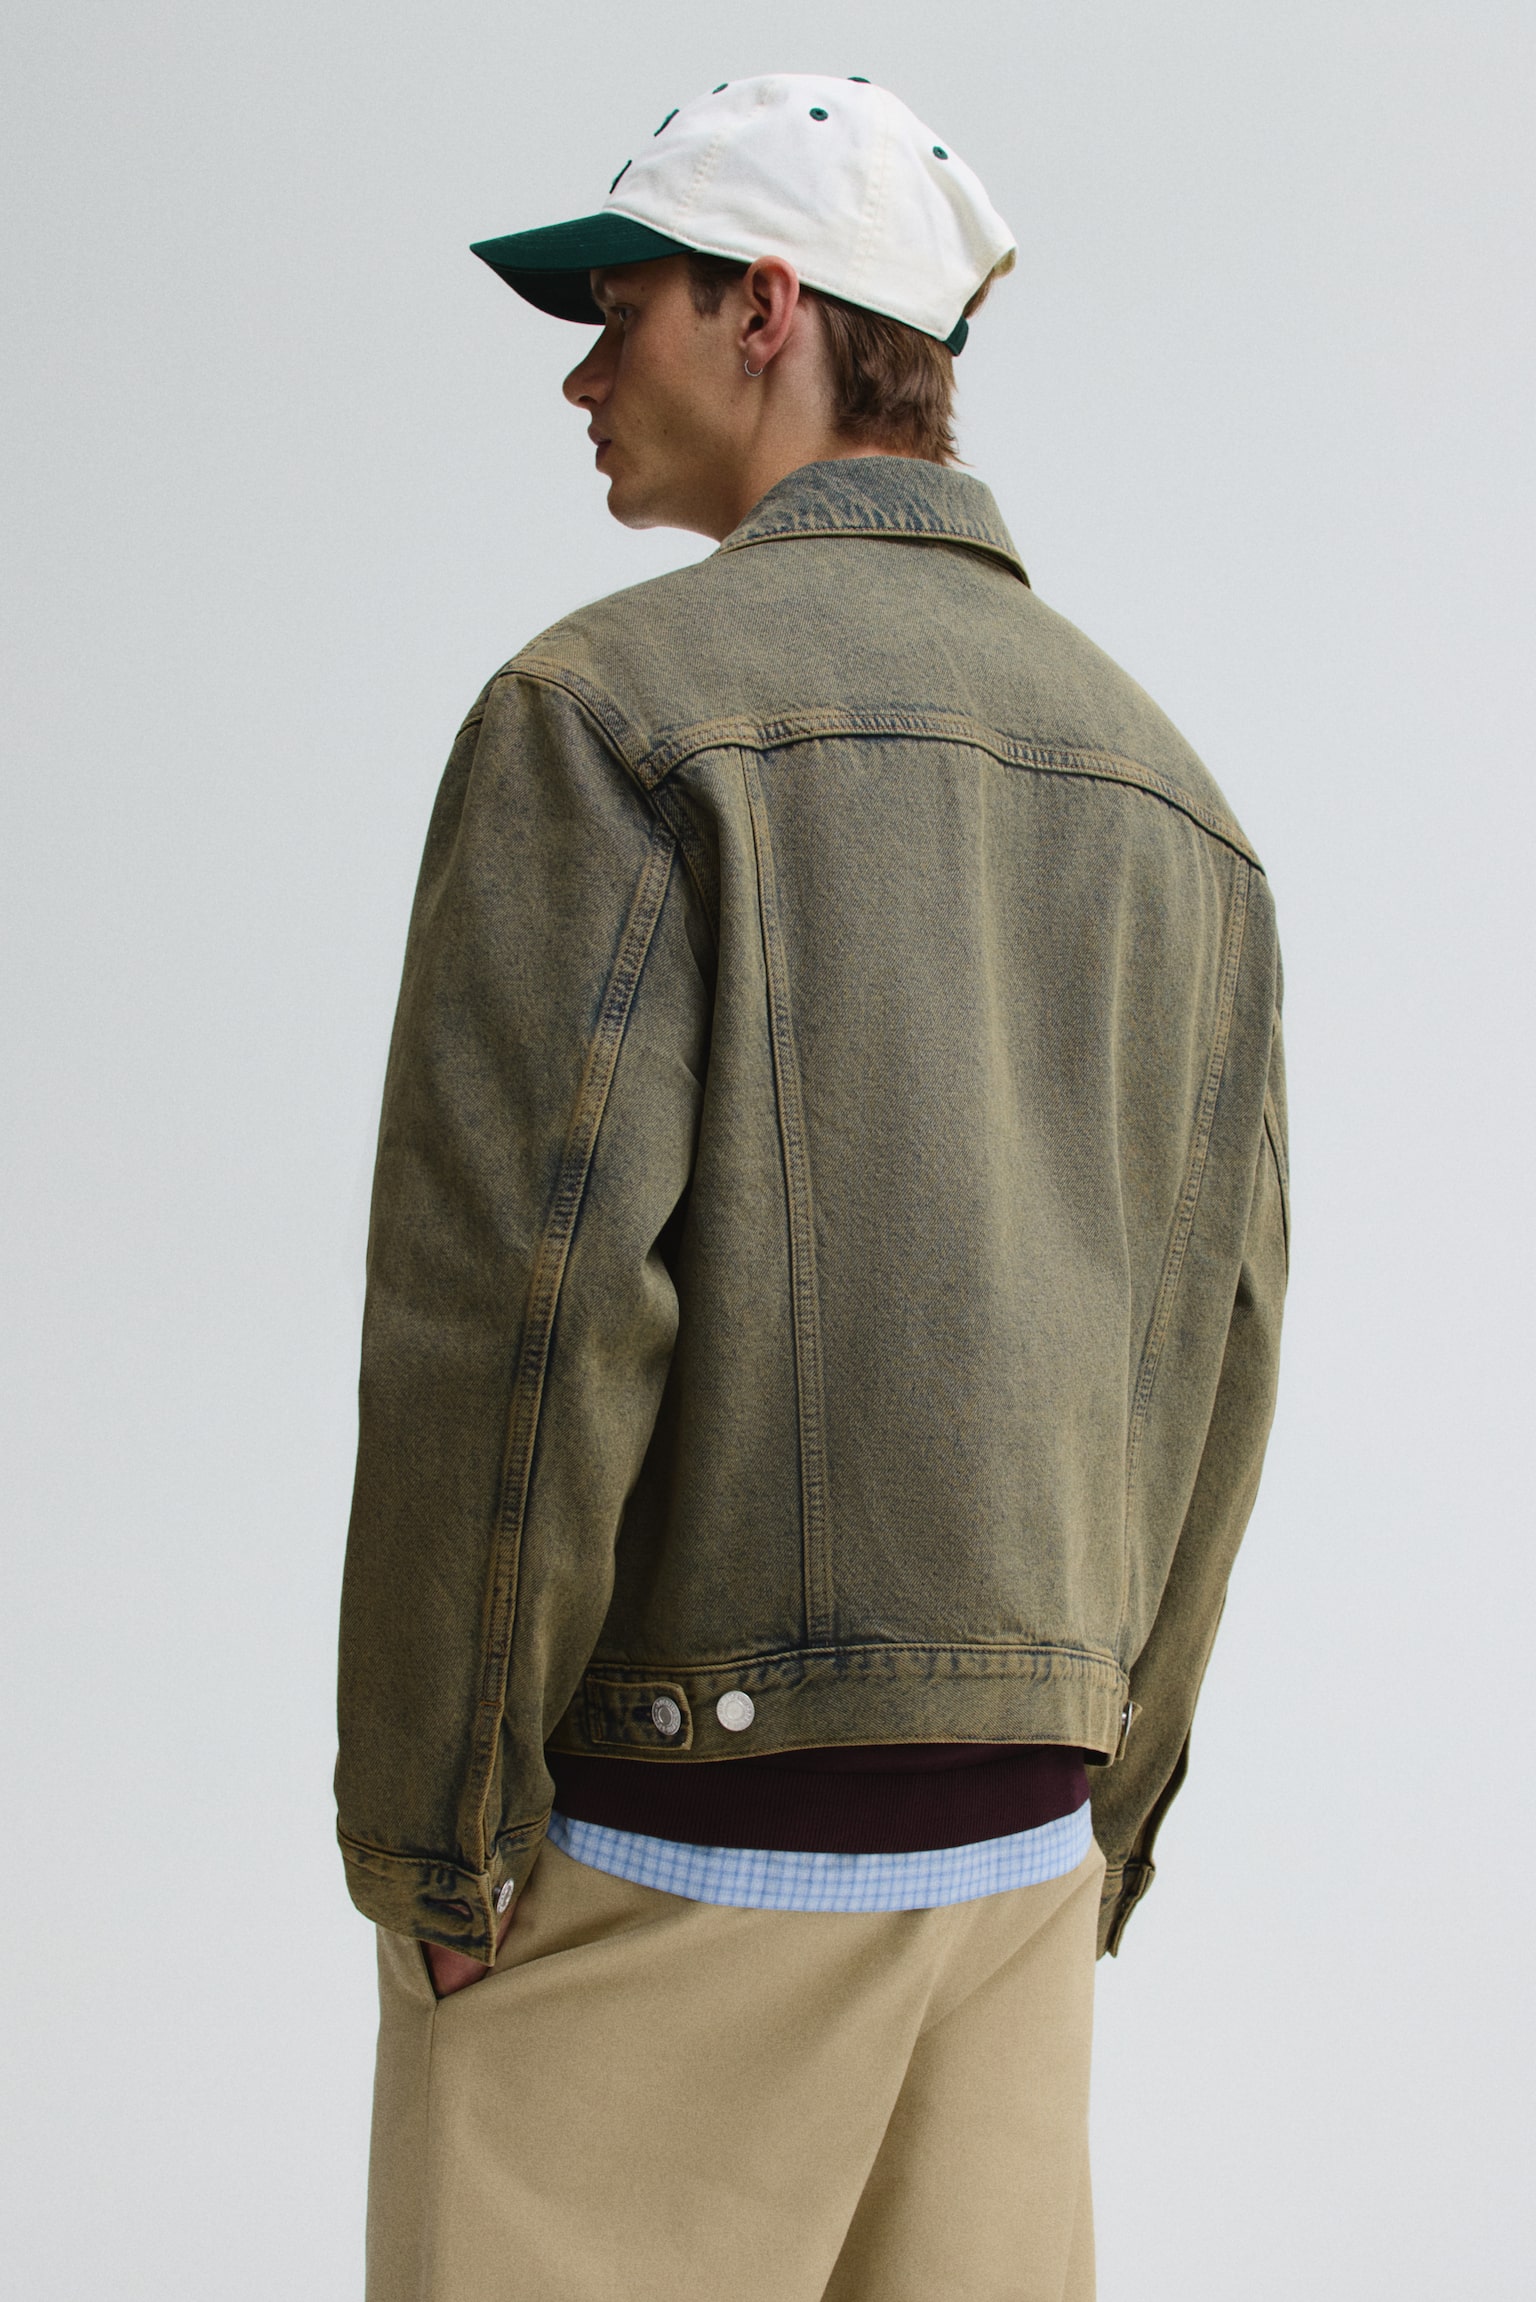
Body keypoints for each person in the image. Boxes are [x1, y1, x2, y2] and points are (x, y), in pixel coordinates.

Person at [336, 72, 1288, 2302]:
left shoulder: (605, 715)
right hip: (1011, 1870)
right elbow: (1218, 1353)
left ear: (767, 307)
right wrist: (1100, 1814)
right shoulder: (1176, 792)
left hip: (671, 1858)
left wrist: (440, 1833)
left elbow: (521, 1313)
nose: (582, 376)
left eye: (619, 310)